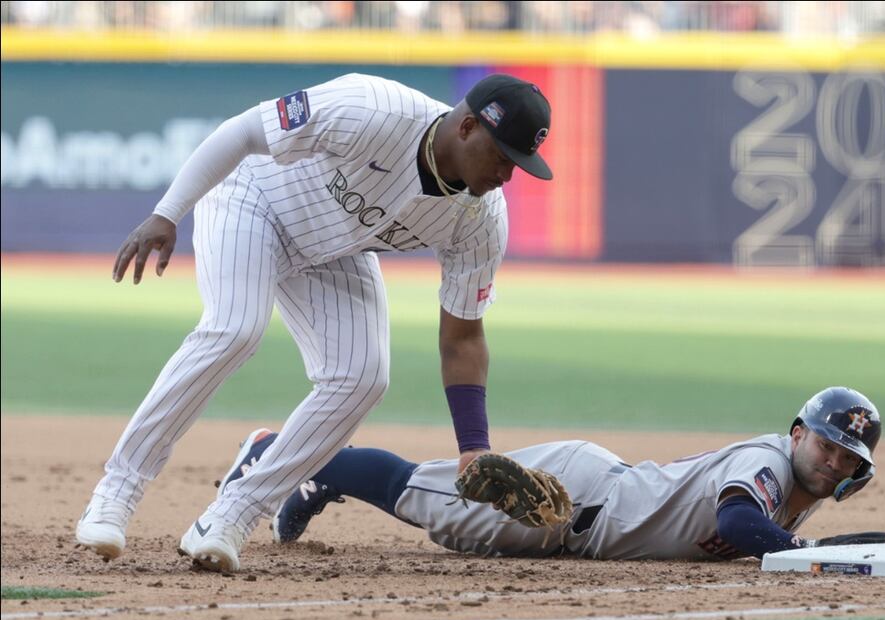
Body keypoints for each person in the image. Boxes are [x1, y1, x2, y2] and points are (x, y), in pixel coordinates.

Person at [75, 72, 553, 573]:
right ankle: (117, 489)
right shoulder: (374, 107)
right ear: (469, 127)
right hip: (254, 199)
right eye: (503, 156)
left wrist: (473, 448)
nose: (508, 175)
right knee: (235, 328)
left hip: (334, 248)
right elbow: (243, 132)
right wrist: (168, 213)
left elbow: (463, 336)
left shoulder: (481, 219)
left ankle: (234, 513)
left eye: (519, 164)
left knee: (363, 376)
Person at [219, 387, 885, 561]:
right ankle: (279, 453)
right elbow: (739, 521)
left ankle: (315, 478)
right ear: (799, 433)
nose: (833, 462)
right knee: (421, 496)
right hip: (573, 498)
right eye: (827, 446)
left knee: (427, 502)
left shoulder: (805, 488)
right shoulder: (768, 463)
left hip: (591, 513)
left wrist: (801, 548)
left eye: (847, 460)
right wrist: (805, 554)